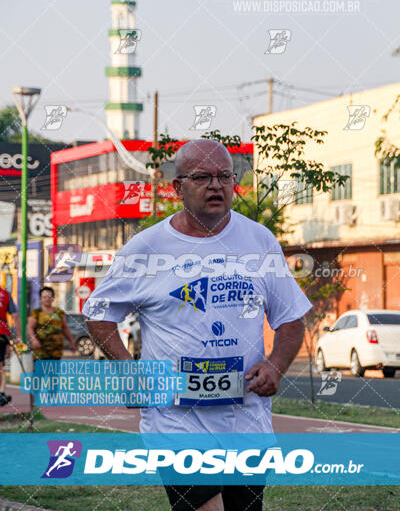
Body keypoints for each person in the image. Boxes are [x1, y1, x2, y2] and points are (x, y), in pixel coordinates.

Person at [83, 140, 311, 511]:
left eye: (225, 176)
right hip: (175, 423)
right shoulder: (147, 248)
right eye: (203, 177)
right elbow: (98, 312)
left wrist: (275, 365)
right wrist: (128, 368)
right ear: (178, 187)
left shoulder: (259, 240)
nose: (216, 185)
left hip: (244, 423)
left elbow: (290, 318)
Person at [27, 287, 77, 360]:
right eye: (44, 297)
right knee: (41, 370)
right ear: (40, 299)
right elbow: (30, 327)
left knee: (54, 370)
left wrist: (72, 343)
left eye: (49, 297)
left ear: (53, 298)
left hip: (56, 351)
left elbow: (65, 328)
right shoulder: (36, 313)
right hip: (40, 351)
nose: (47, 299)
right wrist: (34, 340)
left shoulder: (59, 312)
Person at [0, 286, 21, 406]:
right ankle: (1, 392)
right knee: (1, 365)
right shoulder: (5, 294)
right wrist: (18, 336)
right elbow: (15, 316)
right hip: (2, 334)